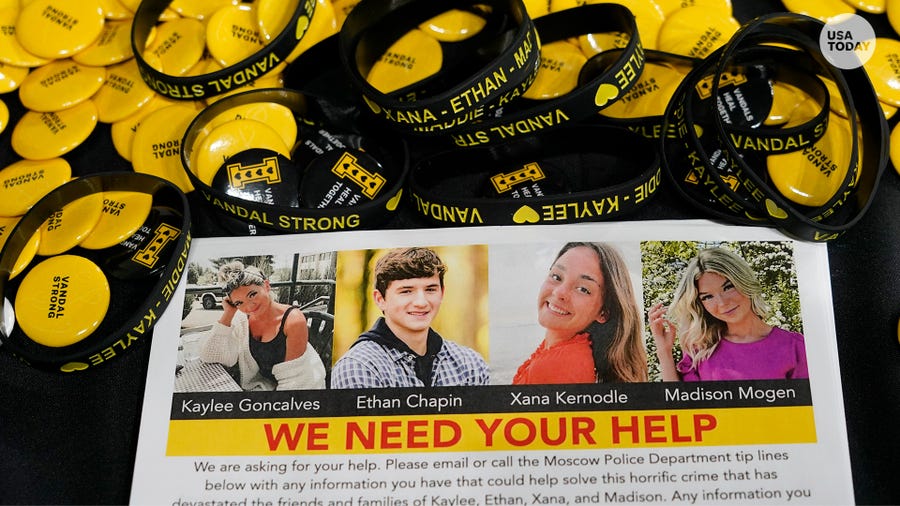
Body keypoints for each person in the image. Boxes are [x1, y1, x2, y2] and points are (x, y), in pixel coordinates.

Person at [331, 247, 490, 388]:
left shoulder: (470, 364)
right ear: (380, 299)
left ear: (442, 293)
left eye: (430, 289)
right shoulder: (360, 367)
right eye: (406, 291)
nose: (421, 302)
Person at [649, 247, 809, 381]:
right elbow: (681, 409)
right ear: (701, 304)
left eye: (728, 287)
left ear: (744, 281)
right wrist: (664, 352)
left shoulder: (794, 346)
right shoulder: (700, 349)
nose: (722, 303)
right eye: (708, 296)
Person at [513, 242, 649, 384]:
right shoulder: (562, 351)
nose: (559, 292)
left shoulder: (558, 365)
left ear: (604, 313)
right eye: (556, 277)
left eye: (583, 289)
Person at [199, 260, 326, 391]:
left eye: (252, 294)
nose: (249, 306)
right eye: (239, 303)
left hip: (303, 387)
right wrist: (228, 314)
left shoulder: (293, 320)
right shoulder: (243, 318)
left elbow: (295, 382)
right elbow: (210, 355)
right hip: (267, 386)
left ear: (266, 286)